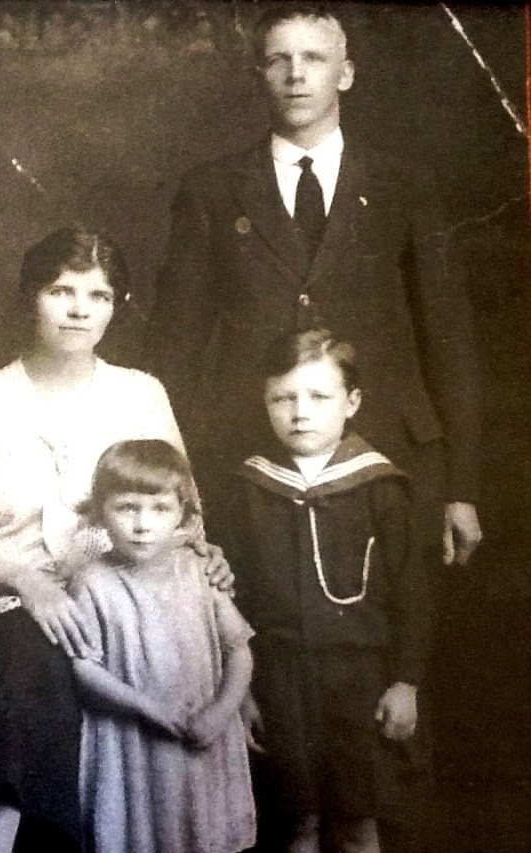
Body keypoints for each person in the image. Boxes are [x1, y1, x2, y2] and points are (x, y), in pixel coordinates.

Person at [0, 225, 231, 853]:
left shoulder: (141, 394)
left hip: (116, 607)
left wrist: (201, 548)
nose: (80, 309)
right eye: (62, 291)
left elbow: (183, 509)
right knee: (37, 648)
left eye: (100, 295)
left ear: (117, 308)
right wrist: (31, 583)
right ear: (32, 296)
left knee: (70, 647)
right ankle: (48, 838)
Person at [145, 2, 482, 578]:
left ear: (344, 74)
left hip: (390, 455)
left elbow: (448, 341)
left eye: (314, 58)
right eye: (279, 60)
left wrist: (462, 487)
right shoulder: (211, 190)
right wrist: (154, 478)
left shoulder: (402, 184)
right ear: (260, 75)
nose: (296, 74)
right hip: (250, 457)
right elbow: (172, 347)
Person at [223, 328, 430, 853]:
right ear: (265, 402)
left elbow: (413, 593)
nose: (300, 412)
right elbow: (232, 600)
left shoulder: (381, 487)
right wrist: (242, 689)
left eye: (319, 397)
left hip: (361, 677)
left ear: (352, 402)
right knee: (300, 822)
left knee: (359, 821)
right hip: (279, 676)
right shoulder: (250, 487)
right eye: (283, 397)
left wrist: (405, 681)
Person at [71, 439, 256, 853]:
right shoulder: (92, 581)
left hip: (202, 728)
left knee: (200, 831)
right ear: (101, 512)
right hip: (132, 735)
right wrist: (150, 710)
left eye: (160, 509)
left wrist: (221, 713)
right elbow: (84, 668)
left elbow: (239, 649)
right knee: (140, 833)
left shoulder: (200, 571)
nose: (142, 524)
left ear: (183, 516)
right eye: (127, 508)